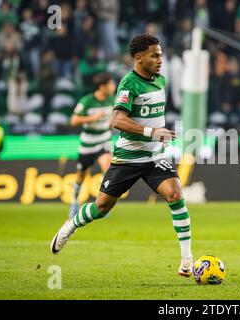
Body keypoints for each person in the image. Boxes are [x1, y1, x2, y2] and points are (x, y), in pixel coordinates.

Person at [50, 34, 194, 278]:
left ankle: (187, 259)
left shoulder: (160, 81)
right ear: (138, 58)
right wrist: (152, 132)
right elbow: (117, 120)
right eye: (154, 55)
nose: (160, 59)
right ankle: (70, 225)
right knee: (102, 207)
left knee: (175, 193)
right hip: (128, 158)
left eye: (161, 54)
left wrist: (156, 135)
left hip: (154, 157)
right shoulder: (129, 84)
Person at [68, 72, 116, 218]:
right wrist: (92, 118)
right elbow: (74, 120)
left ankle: (103, 205)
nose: (113, 87)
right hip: (88, 144)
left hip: (104, 140)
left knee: (108, 169)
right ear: (102, 86)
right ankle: (75, 202)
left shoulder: (112, 100)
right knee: (81, 176)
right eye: (111, 84)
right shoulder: (87, 101)